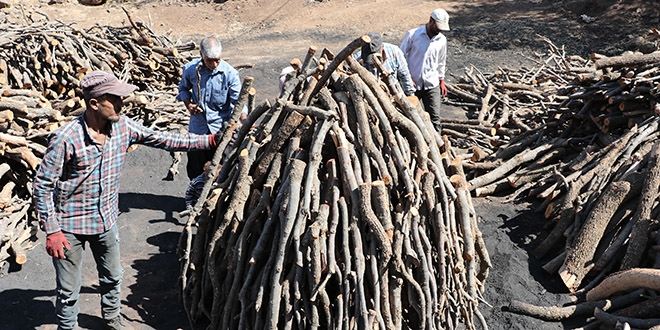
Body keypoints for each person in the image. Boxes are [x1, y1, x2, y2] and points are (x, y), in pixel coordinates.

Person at [33, 70, 220, 330]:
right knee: (68, 289)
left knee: (112, 277)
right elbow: (42, 185)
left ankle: (112, 319)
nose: (122, 103)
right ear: (94, 103)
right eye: (115, 98)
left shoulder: (123, 126)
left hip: (106, 221)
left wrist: (209, 140)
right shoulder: (67, 138)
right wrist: (51, 229)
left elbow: (165, 139)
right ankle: (68, 327)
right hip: (69, 227)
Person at [176, 36, 244, 180]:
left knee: (219, 169)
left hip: (219, 129)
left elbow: (239, 102)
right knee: (195, 168)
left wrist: (244, 120)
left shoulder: (230, 74)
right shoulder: (191, 69)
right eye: (209, 60)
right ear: (201, 54)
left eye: (217, 60)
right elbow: (182, 89)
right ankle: (194, 198)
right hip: (198, 129)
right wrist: (189, 105)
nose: (213, 64)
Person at [400, 8, 451, 132]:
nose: (439, 30)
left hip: (431, 84)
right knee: (411, 117)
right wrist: (405, 77)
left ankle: (437, 147)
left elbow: (441, 61)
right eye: (437, 27)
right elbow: (400, 56)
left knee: (435, 119)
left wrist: (441, 80)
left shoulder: (441, 40)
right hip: (412, 83)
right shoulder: (413, 35)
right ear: (431, 20)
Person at [355, 32, 416, 97]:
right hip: (370, 94)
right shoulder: (357, 59)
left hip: (394, 92)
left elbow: (404, 75)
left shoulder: (395, 51)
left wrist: (410, 95)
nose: (373, 63)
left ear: (382, 48)